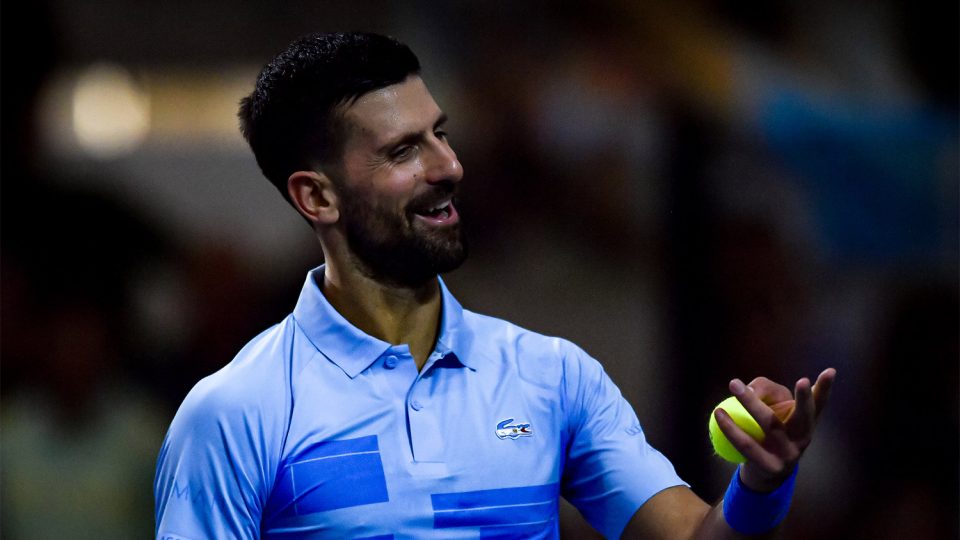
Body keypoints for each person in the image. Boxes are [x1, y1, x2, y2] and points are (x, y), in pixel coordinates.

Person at [154, 32, 836, 539]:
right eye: (403, 151)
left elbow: (693, 534)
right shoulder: (234, 414)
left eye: (441, 135)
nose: (448, 166)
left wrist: (761, 483)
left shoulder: (553, 376)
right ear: (317, 197)